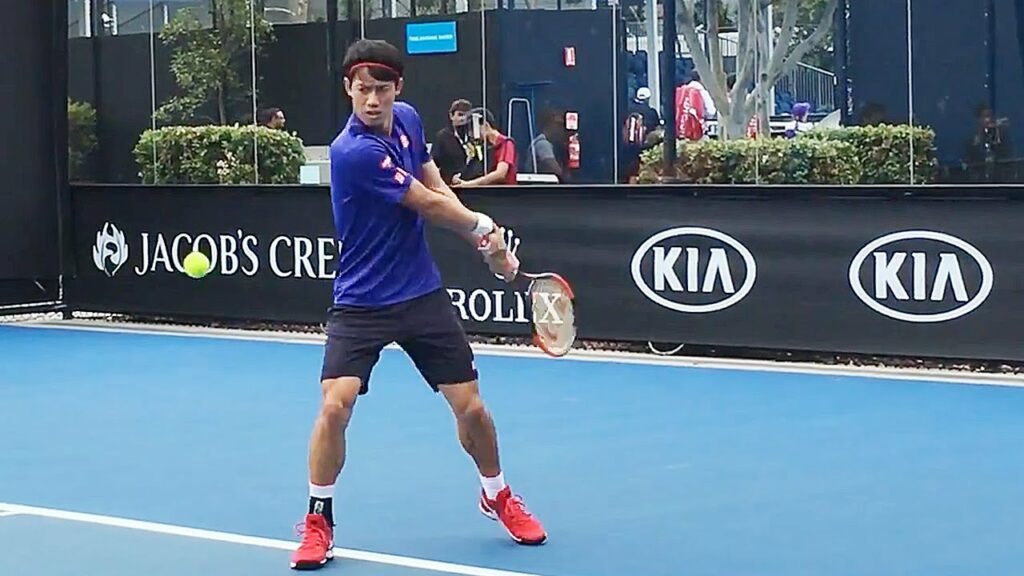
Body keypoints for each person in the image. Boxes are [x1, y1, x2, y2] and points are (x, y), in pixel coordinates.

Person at [289, 39, 547, 571]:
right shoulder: (352, 151)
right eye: (363, 90)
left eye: (382, 89)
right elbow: (426, 204)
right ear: (349, 90)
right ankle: (319, 517)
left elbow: (434, 181)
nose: (373, 100)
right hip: (360, 301)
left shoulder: (406, 119)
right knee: (335, 404)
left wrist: (482, 240)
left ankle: (496, 492)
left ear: (397, 89)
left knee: (472, 407)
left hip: (420, 294)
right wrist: (485, 228)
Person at [453, 108, 517, 187]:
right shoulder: (484, 148)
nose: (471, 134)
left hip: (504, 194)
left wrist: (470, 184)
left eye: (472, 130)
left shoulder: (506, 143)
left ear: (486, 125)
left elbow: (500, 173)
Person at [430, 98, 474, 185]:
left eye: (467, 116)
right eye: (460, 115)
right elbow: (434, 164)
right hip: (450, 185)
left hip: (471, 185)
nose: (463, 119)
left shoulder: (474, 136)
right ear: (451, 116)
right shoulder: (442, 137)